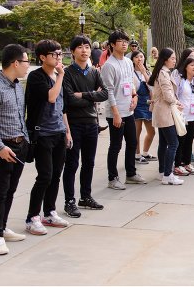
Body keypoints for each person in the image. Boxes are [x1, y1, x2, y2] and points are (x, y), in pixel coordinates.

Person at [0, 44, 30, 256]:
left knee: (10, 190)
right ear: (15, 63)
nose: (28, 65)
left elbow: (20, 117)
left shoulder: (17, 86)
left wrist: (25, 142)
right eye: (26, 61)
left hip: (19, 146)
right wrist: (0, 147)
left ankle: (2, 227)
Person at [24, 39, 72, 235]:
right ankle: (32, 217)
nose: (59, 57)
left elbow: (62, 107)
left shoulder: (59, 76)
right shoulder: (36, 77)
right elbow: (51, 97)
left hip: (58, 131)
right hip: (42, 133)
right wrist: (60, 76)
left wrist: (67, 131)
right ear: (42, 57)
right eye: (55, 54)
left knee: (56, 175)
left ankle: (50, 212)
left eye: (60, 53)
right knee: (44, 175)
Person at [62, 36, 108, 218]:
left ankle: (85, 196)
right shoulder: (67, 73)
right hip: (74, 124)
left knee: (89, 162)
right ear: (73, 51)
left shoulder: (94, 72)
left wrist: (82, 95)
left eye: (87, 47)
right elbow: (69, 99)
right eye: (80, 47)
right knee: (72, 164)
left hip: (91, 123)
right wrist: (92, 96)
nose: (84, 50)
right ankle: (69, 201)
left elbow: (104, 93)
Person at [101, 30, 146, 190]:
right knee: (116, 145)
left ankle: (131, 174)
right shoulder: (108, 65)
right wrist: (115, 113)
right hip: (116, 112)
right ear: (112, 44)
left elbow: (130, 82)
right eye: (121, 41)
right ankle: (112, 178)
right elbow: (108, 91)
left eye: (126, 41)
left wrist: (134, 96)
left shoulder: (127, 62)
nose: (125, 44)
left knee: (132, 142)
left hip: (129, 110)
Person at [148, 48, 184, 185]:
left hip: (161, 111)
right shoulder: (163, 73)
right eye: (172, 58)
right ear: (165, 59)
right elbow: (168, 95)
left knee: (164, 143)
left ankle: (162, 172)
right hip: (165, 112)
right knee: (173, 143)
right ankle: (168, 175)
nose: (175, 60)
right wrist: (177, 102)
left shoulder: (162, 72)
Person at [173, 57, 194, 175]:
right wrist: (177, 105)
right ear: (186, 67)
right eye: (191, 65)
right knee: (180, 141)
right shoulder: (181, 80)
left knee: (189, 141)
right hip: (183, 116)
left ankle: (187, 163)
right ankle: (177, 164)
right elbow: (174, 95)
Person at [131, 50, 157, 164]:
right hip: (137, 103)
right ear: (132, 60)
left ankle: (145, 153)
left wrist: (144, 72)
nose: (139, 59)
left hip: (147, 104)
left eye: (141, 57)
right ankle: (137, 155)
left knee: (152, 131)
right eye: (136, 57)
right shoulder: (131, 73)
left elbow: (152, 86)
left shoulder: (148, 72)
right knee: (137, 131)